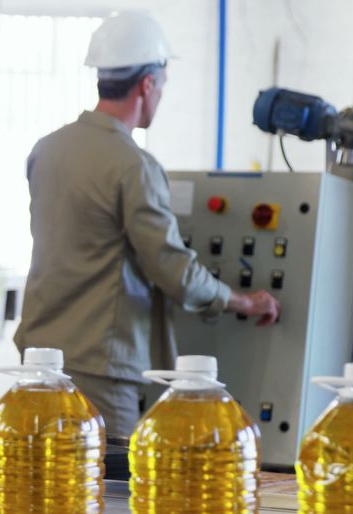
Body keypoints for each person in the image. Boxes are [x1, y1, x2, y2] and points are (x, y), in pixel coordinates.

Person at [14, 12, 280, 438]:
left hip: (38, 362)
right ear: (147, 84)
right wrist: (246, 303)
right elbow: (175, 273)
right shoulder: (133, 166)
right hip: (101, 371)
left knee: (45, 485)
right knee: (110, 494)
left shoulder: (47, 150)